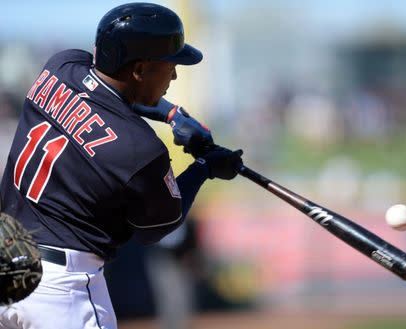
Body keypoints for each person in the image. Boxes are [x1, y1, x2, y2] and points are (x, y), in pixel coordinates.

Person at [0, 3, 243, 329]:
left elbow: (108, 93)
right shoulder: (141, 150)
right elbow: (157, 228)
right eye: (168, 65)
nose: (173, 74)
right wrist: (204, 167)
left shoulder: (61, 67)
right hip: (62, 291)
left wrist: (172, 114)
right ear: (140, 70)